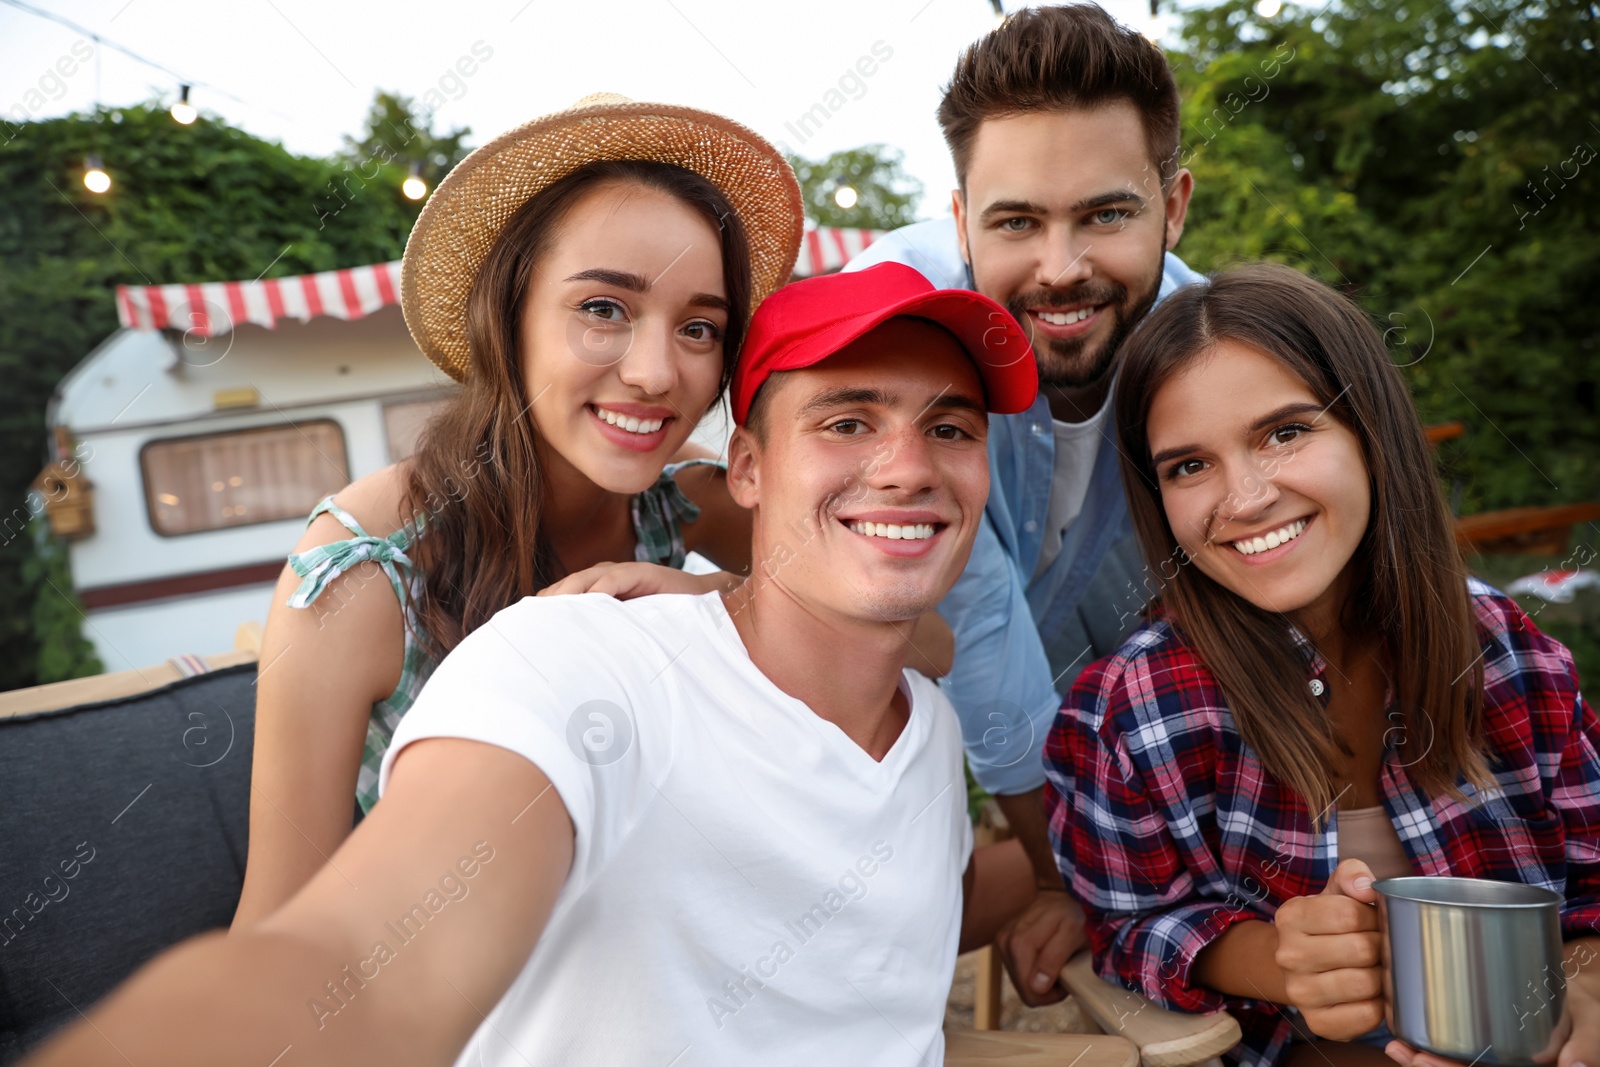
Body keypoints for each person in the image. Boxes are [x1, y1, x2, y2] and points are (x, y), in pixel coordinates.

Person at [25, 263, 1043, 1067]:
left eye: (949, 427)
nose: (908, 465)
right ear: (748, 467)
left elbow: (892, 919)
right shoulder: (551, 648)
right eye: (848, 420)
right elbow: (356, 963)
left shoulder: (908, 716)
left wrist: (711, 592)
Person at [230, 96, 942, 928]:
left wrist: (724, 602)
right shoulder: (365, 569)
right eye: (604, 309)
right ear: (508, 315)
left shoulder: (682, 500)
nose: (655, 372)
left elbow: (929, 644)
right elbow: (276, 926)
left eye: (700, 327)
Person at [1045, 263, 1600, 1067]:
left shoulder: (1504, 648)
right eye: (1188, 465)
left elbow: (1591, 883)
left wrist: (1584, 985)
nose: (1245, 497)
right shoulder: (1133, 710)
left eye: (1285, 432)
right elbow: (1127, 927)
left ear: (1372, 433)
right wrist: (1276, 958)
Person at [844, 2, 1201, 1004]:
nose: (1060, 267)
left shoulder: (1213, 344)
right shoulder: (897, 316)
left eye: (1106, 214)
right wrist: (1060, 876)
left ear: (1172, 207)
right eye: (1016, 222)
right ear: (962, 221)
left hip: (1077, 647)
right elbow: (976, 619)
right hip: (849, 672)